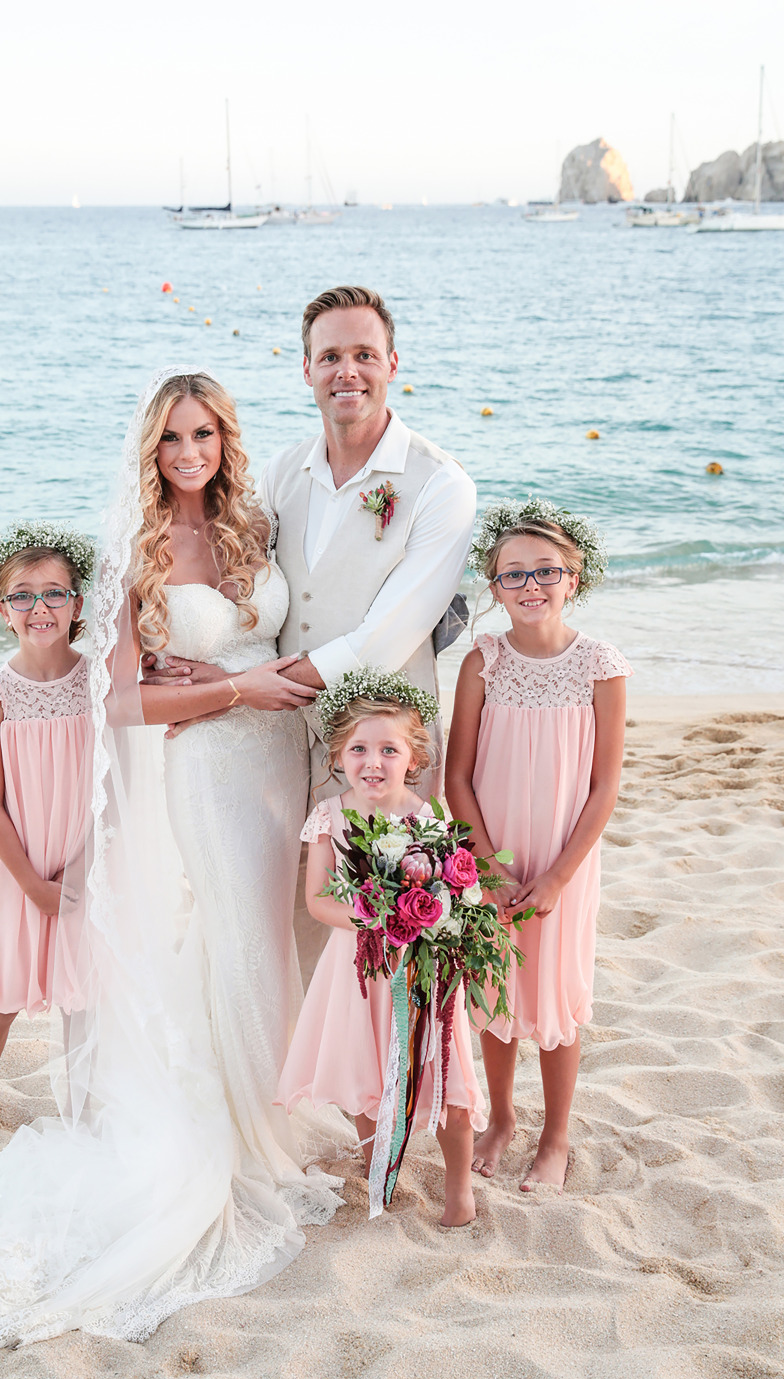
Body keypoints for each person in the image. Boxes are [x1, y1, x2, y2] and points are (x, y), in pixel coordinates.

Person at [0, 368, 347, 1349]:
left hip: (288, 754)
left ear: (225, 441)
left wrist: (281, 678)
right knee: (235, 938)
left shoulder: (257, 528)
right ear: (151, 451)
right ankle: (246, 1141)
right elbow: (121, 701)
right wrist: (234, 690)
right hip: (211, 766)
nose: (189, 455)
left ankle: (276, 1102)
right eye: (172, 440)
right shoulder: (138, 556)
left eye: (204, 436)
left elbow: (291, 628)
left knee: (278, 937)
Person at [144, 287, 476, 981]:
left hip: (380, 753)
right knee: (283, 938)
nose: (346, 372)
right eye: (330, 356)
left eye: (362, 354)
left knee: (381, 951)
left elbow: (389, 634)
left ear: (392, 361)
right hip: (271, 752)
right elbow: (229, 581)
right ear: (306, 371)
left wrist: (239, 689)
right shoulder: (281, 472)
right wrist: (208, 678)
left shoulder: (441, 484)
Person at [444, 499, 632, 1192]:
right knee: (495, 989)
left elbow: (605, 786)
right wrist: (487, 870)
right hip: (491, 856)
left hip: (562, 859)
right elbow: (456, 776)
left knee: (555, 990)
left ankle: (556, 1135)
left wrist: (555, 877)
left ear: (573, 577)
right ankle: (501, 1119)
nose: (531, 586)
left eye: (545, 572)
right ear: (492, 589)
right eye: (513, 576)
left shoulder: (600, 666)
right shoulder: (483, 661)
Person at [276, 674, 487, 1227]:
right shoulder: (330, 817)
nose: (373, 762)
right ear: (338, 756)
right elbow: (320, 901)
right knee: (365, 1079)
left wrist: (432, 919)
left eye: (389, 749)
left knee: (445, 1075)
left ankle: (459, 1187)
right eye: (359, 749)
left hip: (422, 972)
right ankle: (379, 1173)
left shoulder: (429, 816)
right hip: (356, 972)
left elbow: (457, 891)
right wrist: (379, 916)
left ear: (413, 757)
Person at [0, 522, 95, 1154]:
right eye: (22, 595)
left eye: (55, 593)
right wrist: (32, 883)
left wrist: (82, 869)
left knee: (86, 990)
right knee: (4, 990)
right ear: (2, 610)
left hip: (85, 860)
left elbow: (112, 790)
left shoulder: (99, 683)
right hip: (19, 865)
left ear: (79, 604)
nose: (40, 607)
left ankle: (89, 1108)